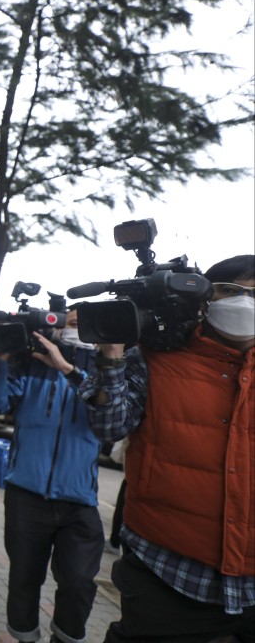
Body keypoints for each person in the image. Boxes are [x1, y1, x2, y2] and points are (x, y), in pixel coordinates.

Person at [80, 254, 255, 643]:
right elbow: (108, 427)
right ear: (205, 299)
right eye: (230, 291)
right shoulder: (156, 361)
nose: (244, 302)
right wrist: (112, 354)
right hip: (167, 577)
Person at [0, 307, 105, 643]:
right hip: (26, 493)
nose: (75, 327)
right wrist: (1, 359)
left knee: (79, 582)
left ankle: (66, 637)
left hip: (80, 498)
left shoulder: (104, 369)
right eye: (71, 321)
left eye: (83, 322)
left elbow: (108, 410)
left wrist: (67, 369)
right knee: (24, 578)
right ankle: (25, 636)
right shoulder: (29, 364)